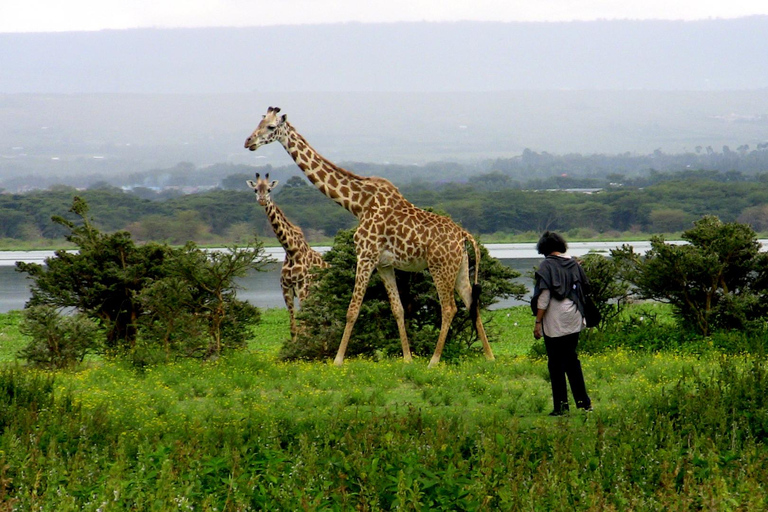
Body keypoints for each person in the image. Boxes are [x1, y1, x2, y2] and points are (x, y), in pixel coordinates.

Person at [531, 231, 592, 416]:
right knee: (572, 360)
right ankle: (584, 404)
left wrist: (537, 322)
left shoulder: (546, 266)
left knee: (555, 364)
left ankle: (561, 407)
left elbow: (544, 297)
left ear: (544, 249)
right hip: (574, 317)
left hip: (555, 321)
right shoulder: (573, 263)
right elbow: (585, 288)